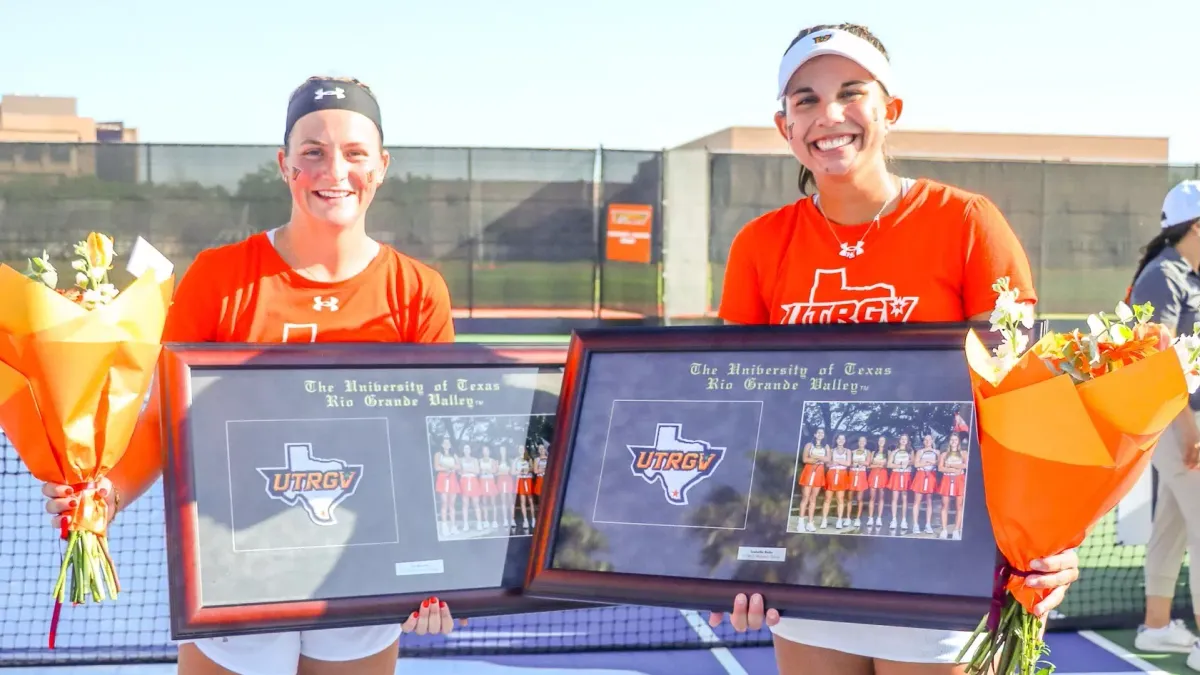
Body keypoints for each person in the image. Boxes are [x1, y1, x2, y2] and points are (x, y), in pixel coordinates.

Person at [41, 75, 465, 675]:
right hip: (235, 565)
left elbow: (434, 445)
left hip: (361, 567)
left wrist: (450, 567)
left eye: (354, 152)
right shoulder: (220, 278)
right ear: (283, 164)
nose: (333, 170)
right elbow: (165, 417)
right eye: (312, 152)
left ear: (381, 166)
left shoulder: (418, 291)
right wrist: (104, 496)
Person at [708, 23, 1081, 674]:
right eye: (806, 100)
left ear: (891, 111)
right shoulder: (759, 245)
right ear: (784, 127)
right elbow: (741, 411)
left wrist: (1053, 539)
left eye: (852, 92)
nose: (829, 115)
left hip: (943, 563)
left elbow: (1027, 401)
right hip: (809, 561)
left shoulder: (968, 224)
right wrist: (724, 546)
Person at [1128, 179, 1200, 670]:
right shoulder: (1165, 274)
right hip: (1181, 423)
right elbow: (1158, 362)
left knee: (1172, 528)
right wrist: (1189, 429)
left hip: (1184, 423)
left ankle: (1156, 629)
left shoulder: (1186, 273)